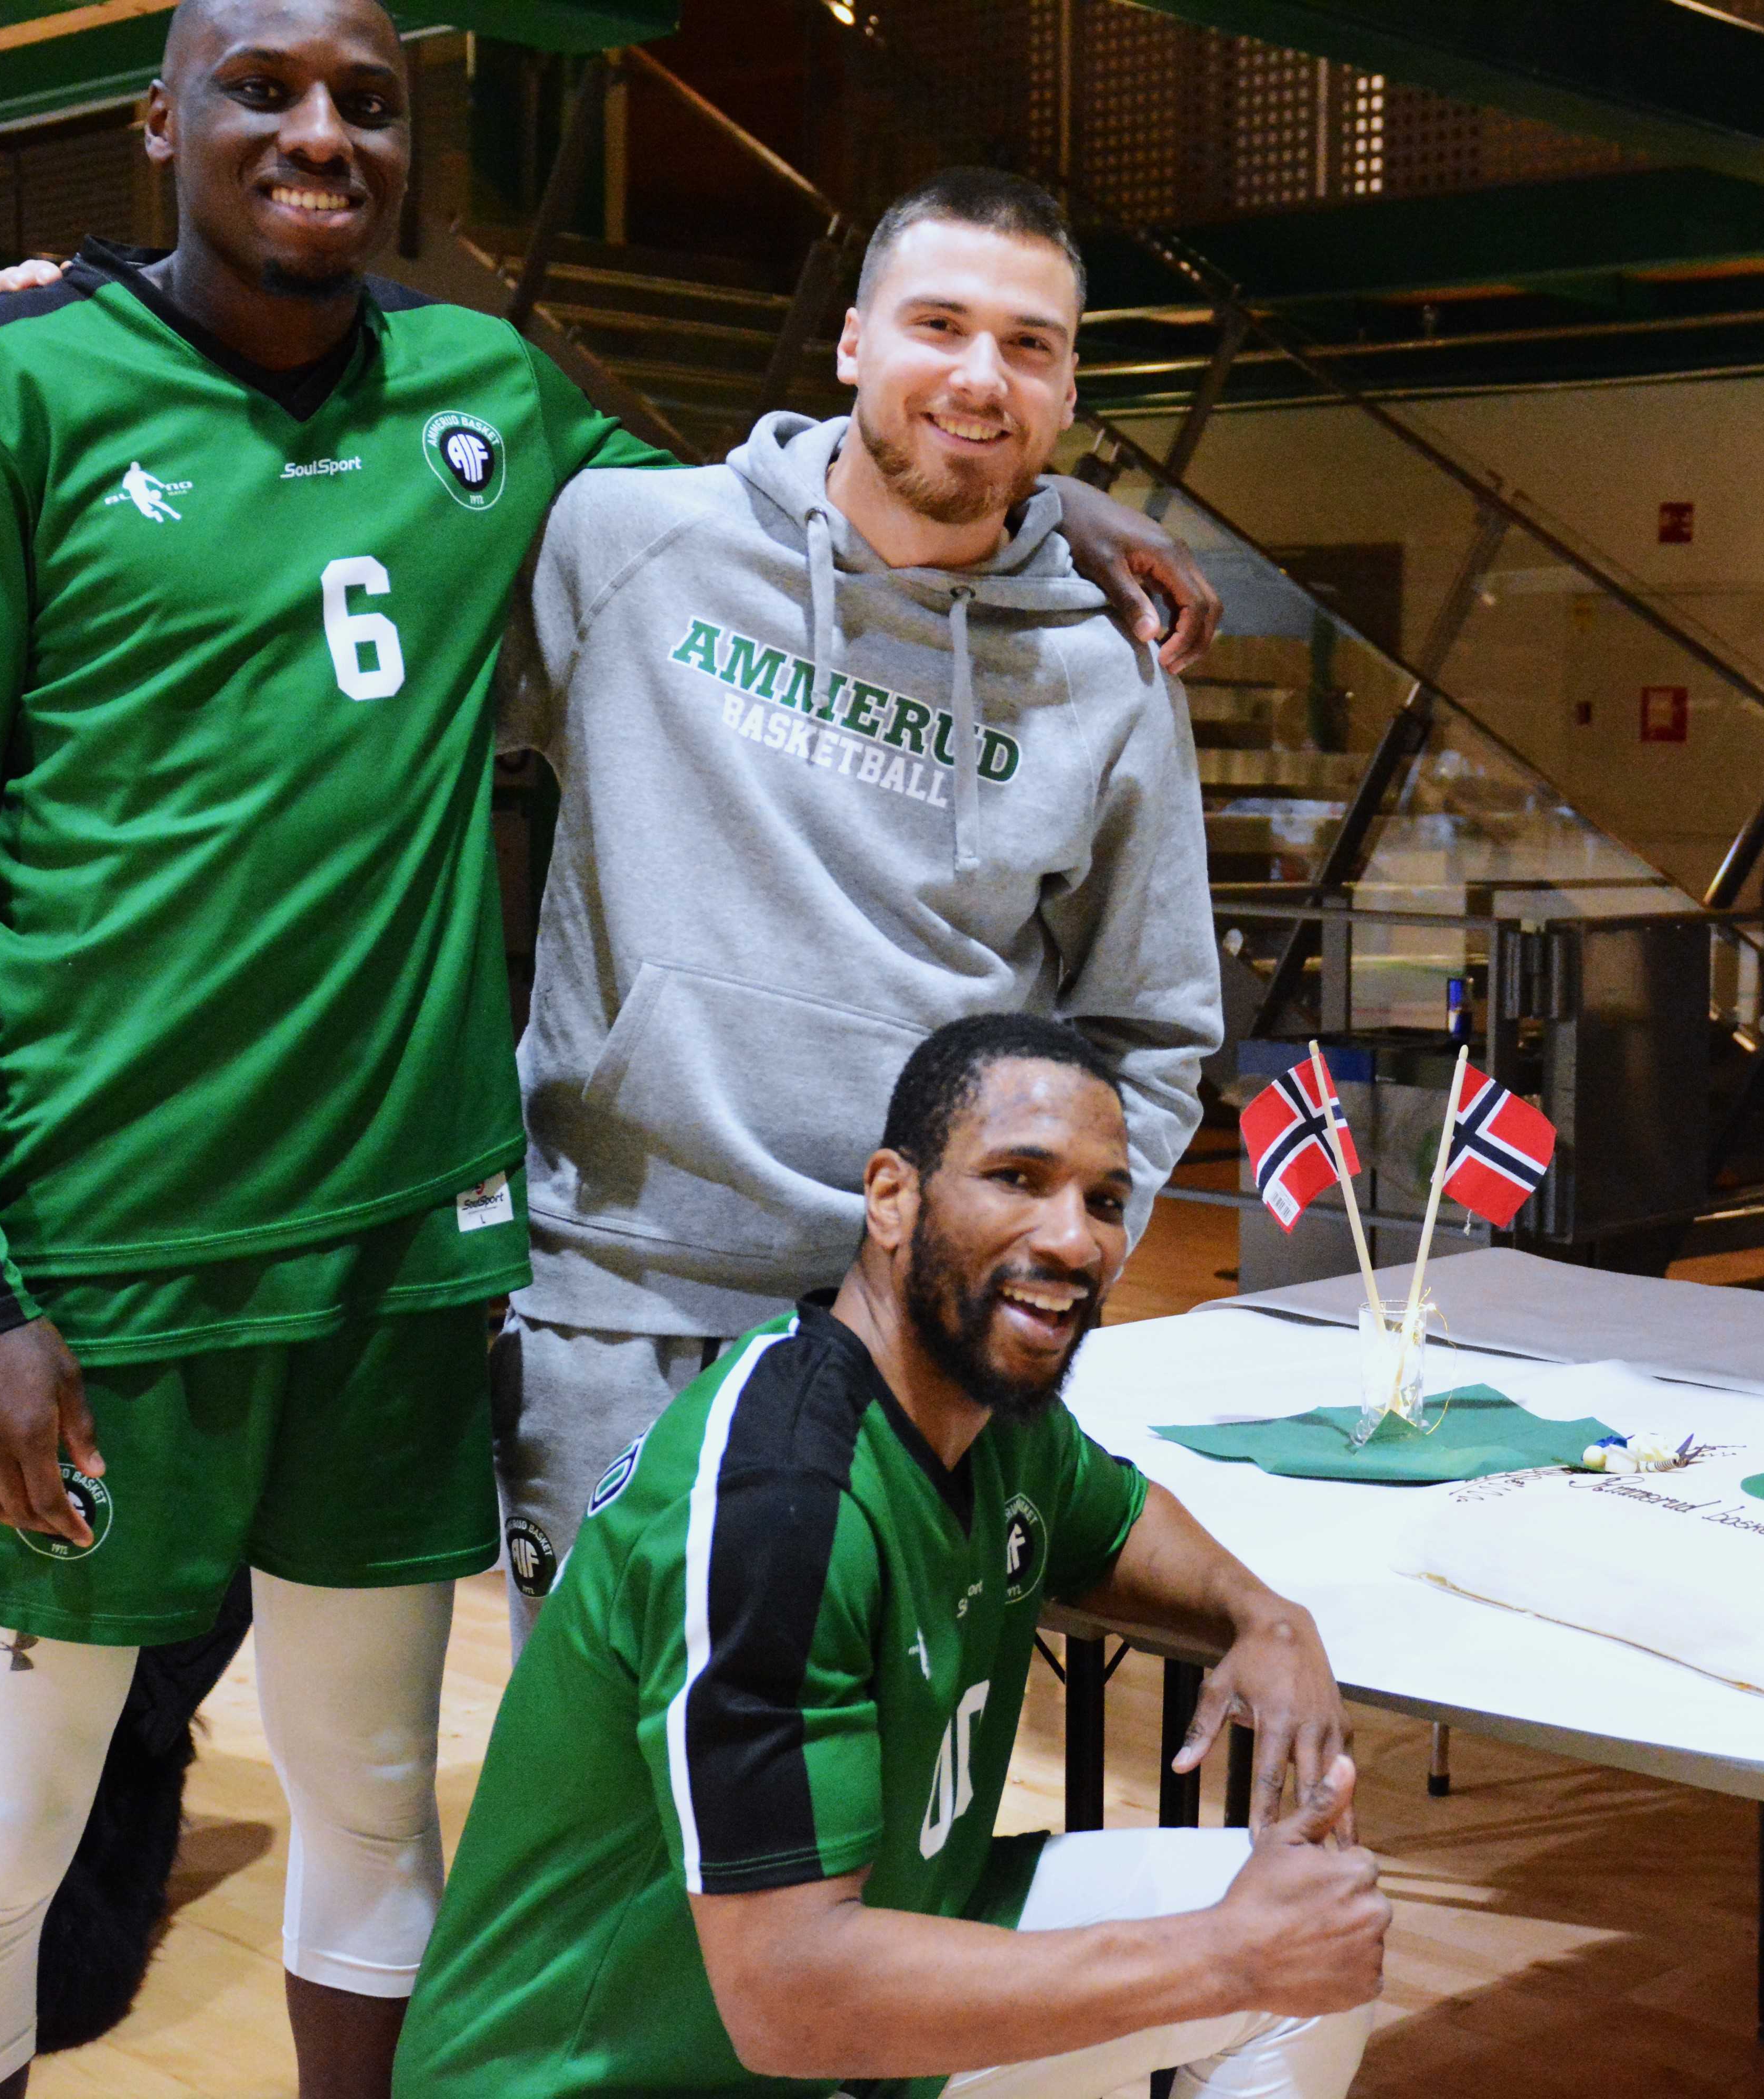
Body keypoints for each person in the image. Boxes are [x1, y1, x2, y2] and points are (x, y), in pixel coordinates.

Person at [0, 16, 1201, 2099]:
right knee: (5, 1835)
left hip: (413, 1266)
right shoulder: (8, 380)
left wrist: (1048, 492)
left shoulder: (495, 406)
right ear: (156, 120)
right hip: (121, 1271)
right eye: (262, 89)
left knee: (390, 1808)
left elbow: (867, 465)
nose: (318, 133)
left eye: (368, 100)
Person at [491, 167, 1223, 1645]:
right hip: (618, 1309)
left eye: (1028, 345)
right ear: (848, 344)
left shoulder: (1105, 671)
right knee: (602, 1814)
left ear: (1071, 383)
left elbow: (1147, 1030)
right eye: (936, 325)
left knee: (872, 1811)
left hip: (911, 1334)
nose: (977, 375)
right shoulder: (625, 546)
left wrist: (1024, 1260)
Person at [396, 1013, 1388, 2099]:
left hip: (848, 2020)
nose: (1073, 1238)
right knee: (1251, 1948)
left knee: (1307, 1936)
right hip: (627, 2066)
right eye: (1018, 1176)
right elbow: (785, 1991)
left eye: (1103, 1199)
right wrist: (1220, 1954)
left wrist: (1264, 1613)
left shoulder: (990, 1410)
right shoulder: (774, 1505)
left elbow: (1114, 1517)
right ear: (890, 1196)